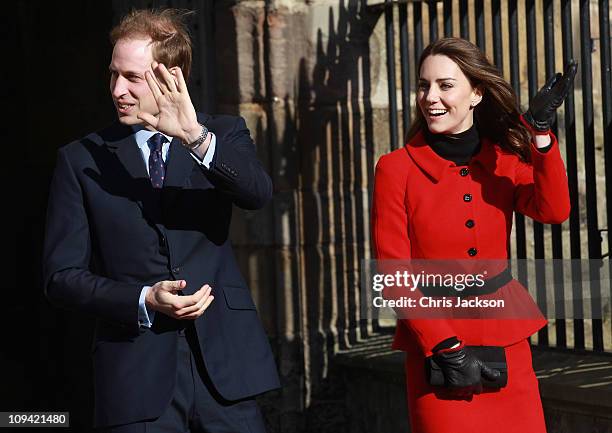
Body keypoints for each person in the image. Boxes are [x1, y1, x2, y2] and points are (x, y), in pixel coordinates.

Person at [43, 8, 279, 433]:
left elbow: (257, 194)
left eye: (133, 78)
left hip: (225, 372)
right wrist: (143, 299)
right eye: (114, 74)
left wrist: (194, 138)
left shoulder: (222, 133)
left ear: (171, 78)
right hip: (135, 378)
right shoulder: (80, 160)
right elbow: (62, 276)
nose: (118, 90)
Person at [371, 37, 576, 433]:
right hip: (437, 354)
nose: (430, 97)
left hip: (508, 345)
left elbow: (555, 210)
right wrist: (444, 345)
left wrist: (541, 134)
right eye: (423, 85)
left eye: (445, 85)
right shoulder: (396, 169)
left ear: (476, 94)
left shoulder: (502, 160)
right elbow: (394, 277)